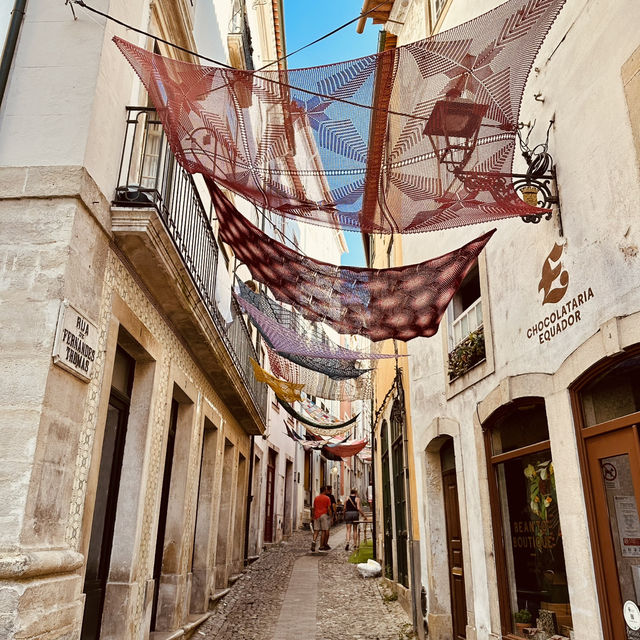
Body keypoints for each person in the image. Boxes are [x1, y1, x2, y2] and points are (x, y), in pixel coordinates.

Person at [311, 486, 332, 551]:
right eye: (326, 490)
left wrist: (312, 516)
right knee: (323, 530)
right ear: (324, 490)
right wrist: (331, 516)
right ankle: (321, 545)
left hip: (316, 515)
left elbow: (314, 508)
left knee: (316, 531)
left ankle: (314, 541)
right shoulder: (327, 498)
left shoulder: (316, 498)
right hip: (324, 515)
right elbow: (328, 508)